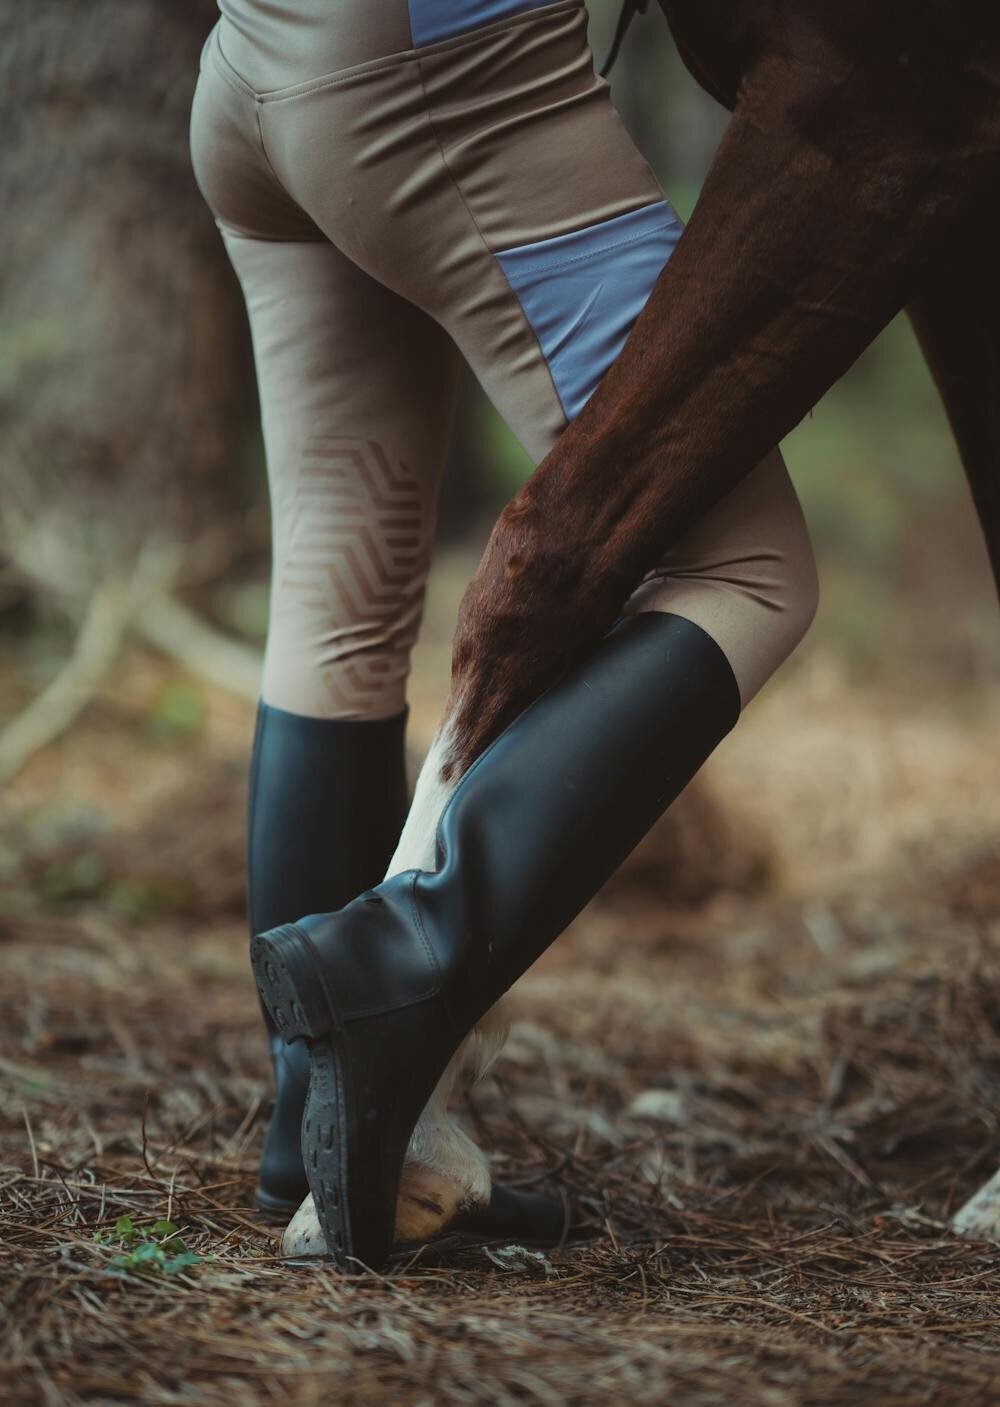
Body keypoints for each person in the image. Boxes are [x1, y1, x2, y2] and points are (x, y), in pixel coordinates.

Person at [189, 0, 818, 1264]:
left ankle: (321, 1138)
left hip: (253, 75)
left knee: (340, 590)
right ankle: (394, 969)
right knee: (745, 570)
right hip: (444, 75)